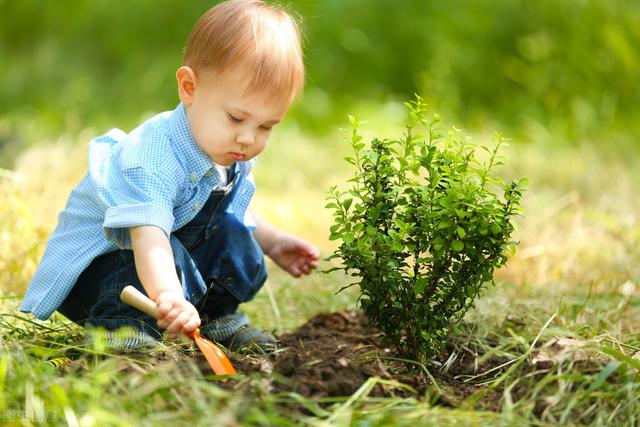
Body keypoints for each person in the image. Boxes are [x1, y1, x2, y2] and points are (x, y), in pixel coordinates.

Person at [20, 0, 319, 350]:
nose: (248, 138)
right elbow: (148, 238)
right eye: (236, 118)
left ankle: (215, 318)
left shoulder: (223, 145)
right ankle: (122, 331)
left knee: (236, 236)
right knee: (158, 249)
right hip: (102, 273)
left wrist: (272, 241)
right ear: (189, 87)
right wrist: (168, 295)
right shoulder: (151, 156)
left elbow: (229, 209)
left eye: (266, 126)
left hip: (163, 264)